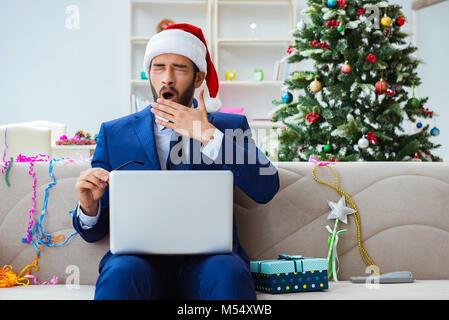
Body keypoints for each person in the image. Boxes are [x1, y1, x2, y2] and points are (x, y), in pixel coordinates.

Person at [73, 23, 279, 300]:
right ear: (149, 74)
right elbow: (94, 233)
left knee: (229, 274)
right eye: (159, 67)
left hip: (210, 262)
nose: (167, 78)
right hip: (139, 263)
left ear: (197, 78)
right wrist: (89, 206)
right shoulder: (115, 133)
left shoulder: (229, 126)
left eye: (179, 68)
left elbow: (266, 188)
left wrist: (208, 135)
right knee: (120, 273)